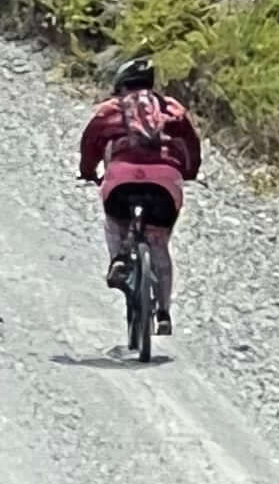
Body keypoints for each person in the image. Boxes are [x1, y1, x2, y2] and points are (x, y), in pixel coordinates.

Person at [78, 56, 202, 330]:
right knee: (159, 240)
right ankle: (164, 313)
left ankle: (118, 260)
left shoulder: (111, 109)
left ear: (121, 85)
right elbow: (191, 144)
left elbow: (90, 142)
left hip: (121, 177)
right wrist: (189, 171)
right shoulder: (171, 108)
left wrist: (88, 171)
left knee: (114, 222)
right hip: (165, 180)